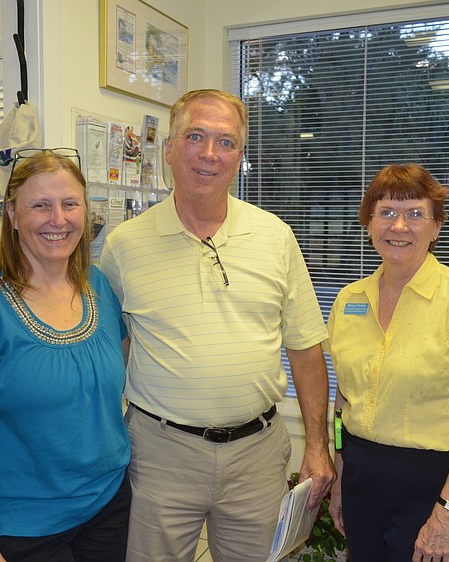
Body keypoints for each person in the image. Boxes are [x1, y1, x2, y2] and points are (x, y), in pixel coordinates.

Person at [98, 89, 335, 562]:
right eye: (196, 136)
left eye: (226, 142)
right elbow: (110, 354)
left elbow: (306, 352)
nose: (209, 154)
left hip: (257, 455)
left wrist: (318, 446)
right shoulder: (124, 246)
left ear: (240, 157)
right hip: (160, 452)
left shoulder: (275, 236)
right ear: (168, 148)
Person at [0, 149, 131, 562]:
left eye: (70, 203)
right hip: (18, 528)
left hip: (108, 508)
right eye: (40, 205)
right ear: (12, 215)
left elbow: (106, 390)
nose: (58, 219)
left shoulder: (99, 287)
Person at [324, 163, 449, 562]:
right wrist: (340, 475)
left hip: (438, 486)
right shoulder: (349, 300)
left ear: (436, 226)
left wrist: (446, 513)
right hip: (361, 479)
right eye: (386, 212)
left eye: (415, 214)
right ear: (368, 224)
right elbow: (344, 402)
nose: (399, 226)